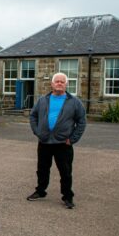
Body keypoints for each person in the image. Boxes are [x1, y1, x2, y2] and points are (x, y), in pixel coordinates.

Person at [27, 72, 86, 209]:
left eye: (62, 81)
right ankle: (40, 191)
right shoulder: (43, 100)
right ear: (52, 84)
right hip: (45, 142)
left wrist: (72, 139)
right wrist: (37, 132)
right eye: (57, 81)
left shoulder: (75, 102)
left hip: (63, 144)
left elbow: (82, 122)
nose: (59, 83)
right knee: (42, 169)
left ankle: (67, 196)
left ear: (66, 84)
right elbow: (33, 116)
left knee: (65, 172)